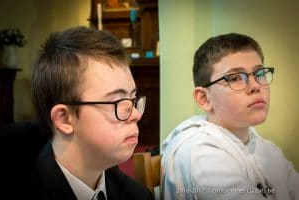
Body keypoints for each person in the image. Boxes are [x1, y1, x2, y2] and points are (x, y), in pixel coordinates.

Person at [161, 33, 299, 200]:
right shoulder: (202, 153)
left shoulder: (266, 148)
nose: (255, 86)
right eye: (235, 78)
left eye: (260, 73)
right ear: (204, 99)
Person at [29, 26, 152, 199]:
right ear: (64, 118)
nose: (136, 115)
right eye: (116, 101)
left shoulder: (137, 195)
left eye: (132, 99)